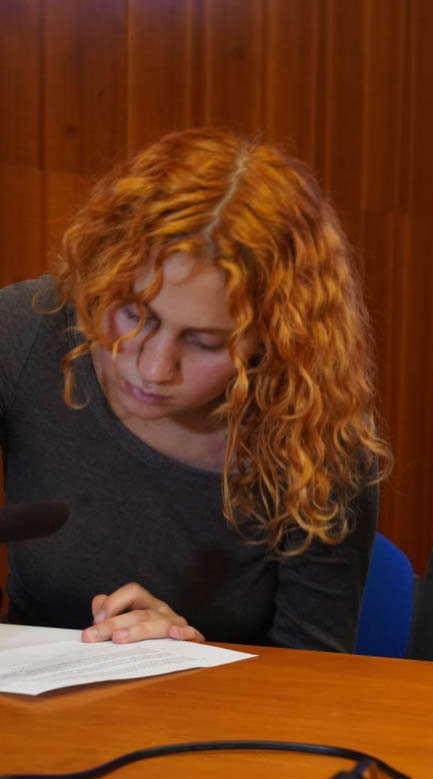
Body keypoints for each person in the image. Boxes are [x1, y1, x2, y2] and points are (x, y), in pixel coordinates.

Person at [0, 129, 389, 652]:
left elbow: (313, 685)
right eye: (135, 315)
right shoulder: (27, 334)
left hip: (208, 727)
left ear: (271, 340)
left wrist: (187, 653)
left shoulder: (317, 434)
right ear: (100, 274)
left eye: (205, 342)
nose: (155, 368)